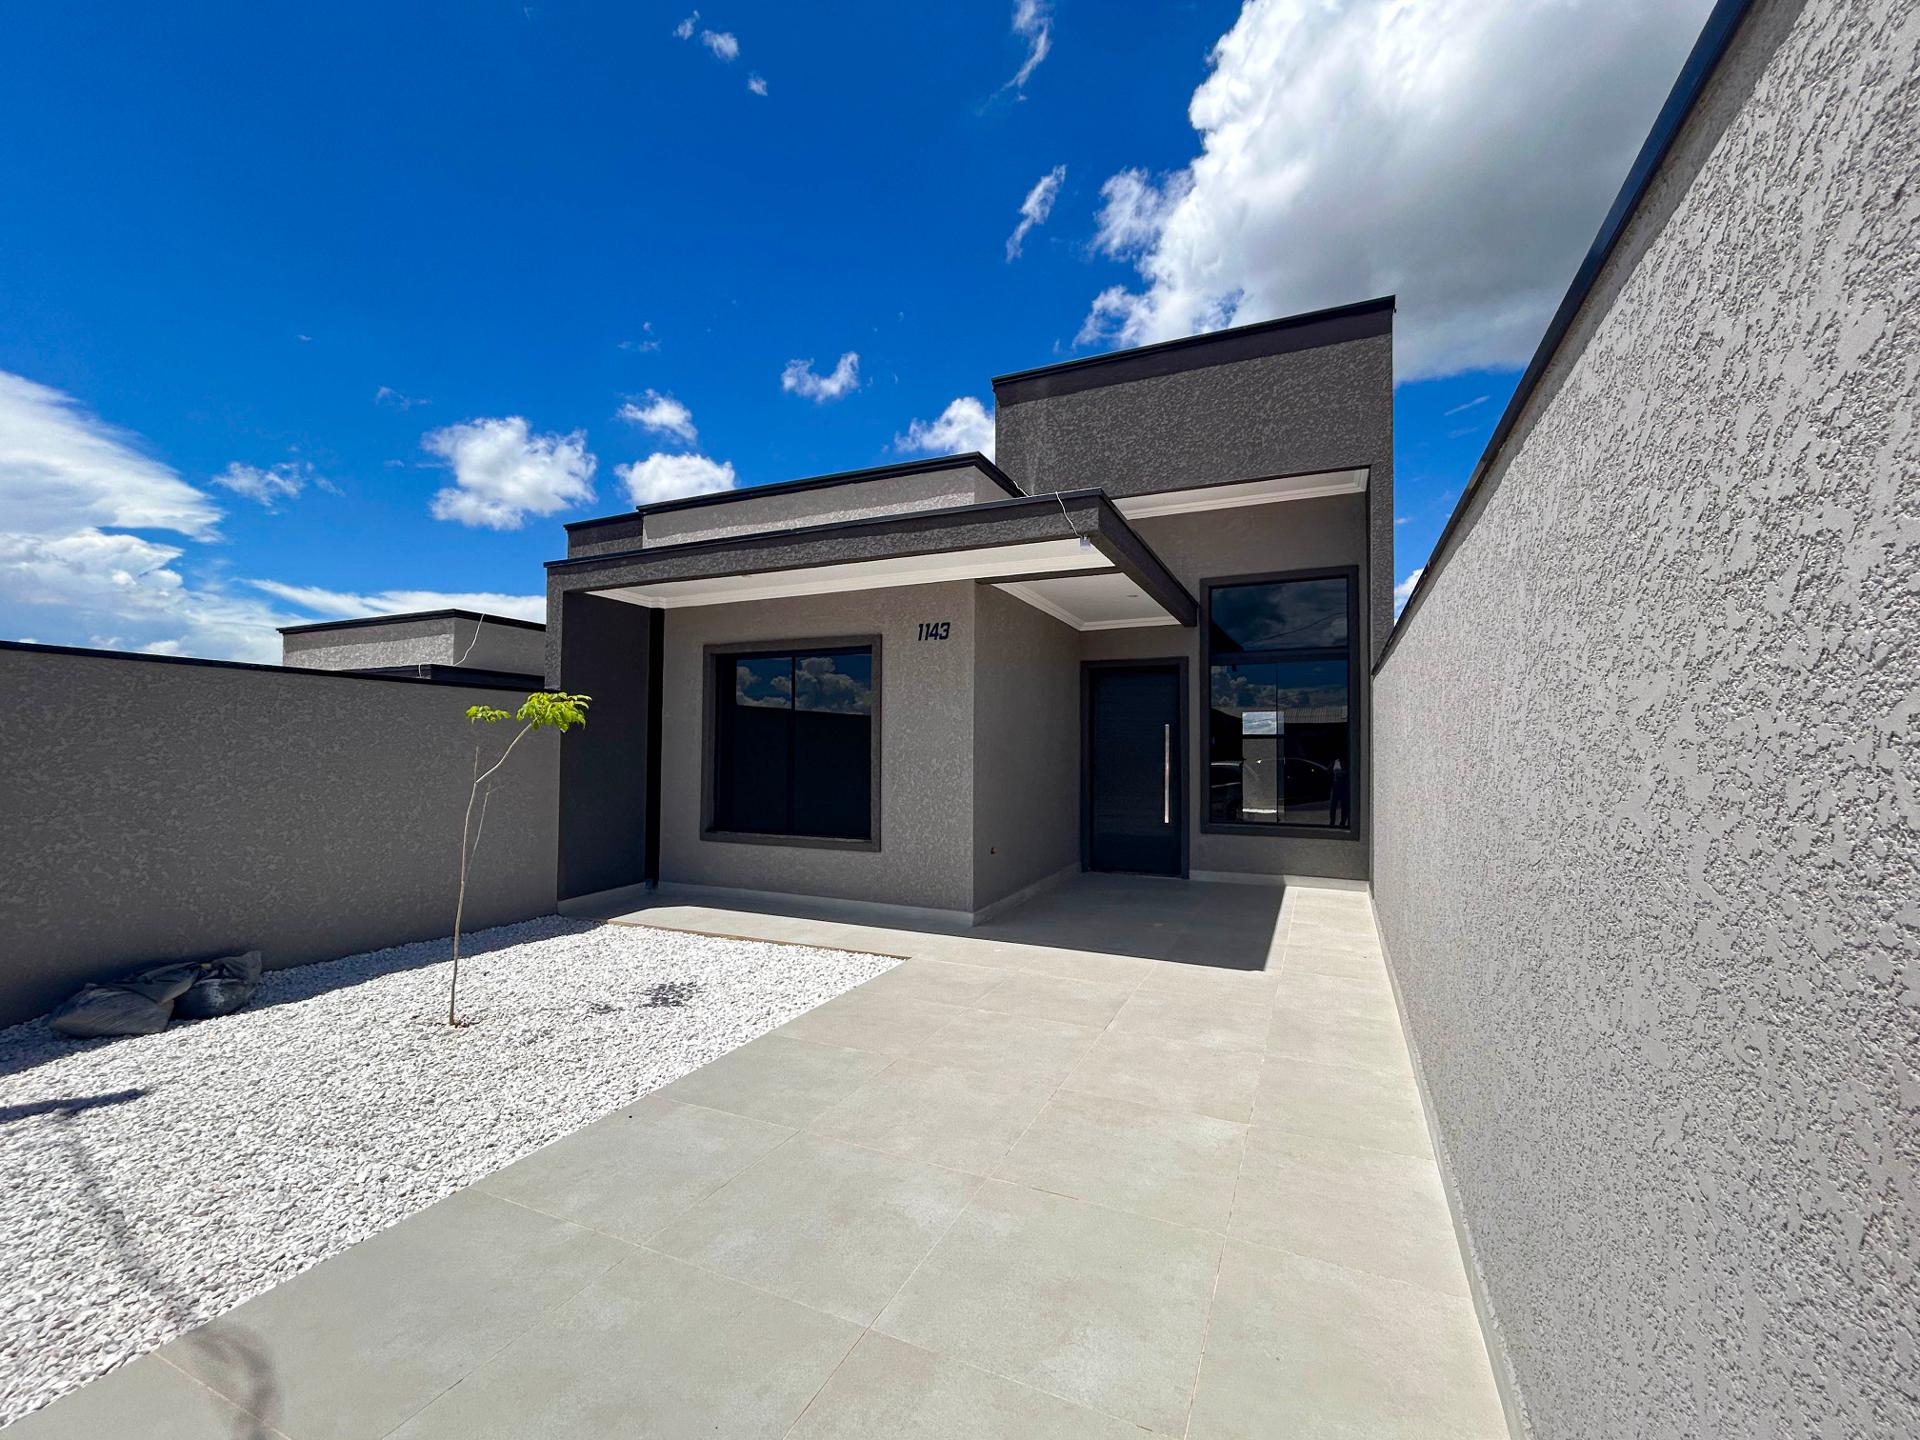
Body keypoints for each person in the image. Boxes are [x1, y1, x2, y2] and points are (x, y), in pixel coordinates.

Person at [1328, 756, 1350, 828]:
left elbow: (1347, 772)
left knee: (1344, 805)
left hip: (1343, 786)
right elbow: (1329, 770)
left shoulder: (1346, 762)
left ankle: (1342, 822)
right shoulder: (1335, 761)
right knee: (1333, 805)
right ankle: (1332, 822)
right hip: (1335, 786)